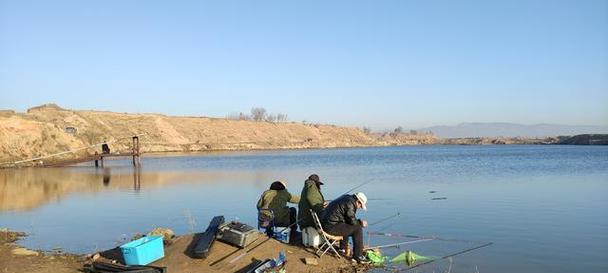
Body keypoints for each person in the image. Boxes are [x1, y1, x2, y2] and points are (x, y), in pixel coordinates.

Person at [320, 192, 369, 264]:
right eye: (361, 206)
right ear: (358, 201)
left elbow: (349, 220)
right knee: (357, 229)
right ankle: (358, 256)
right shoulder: (350, 204)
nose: (360, 208)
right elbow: (352, 221)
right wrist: (361, 223)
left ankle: (342, 249)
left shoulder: (346, 198)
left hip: (327, 223)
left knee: (347, 225)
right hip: (330, 227)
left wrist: (357, 222)